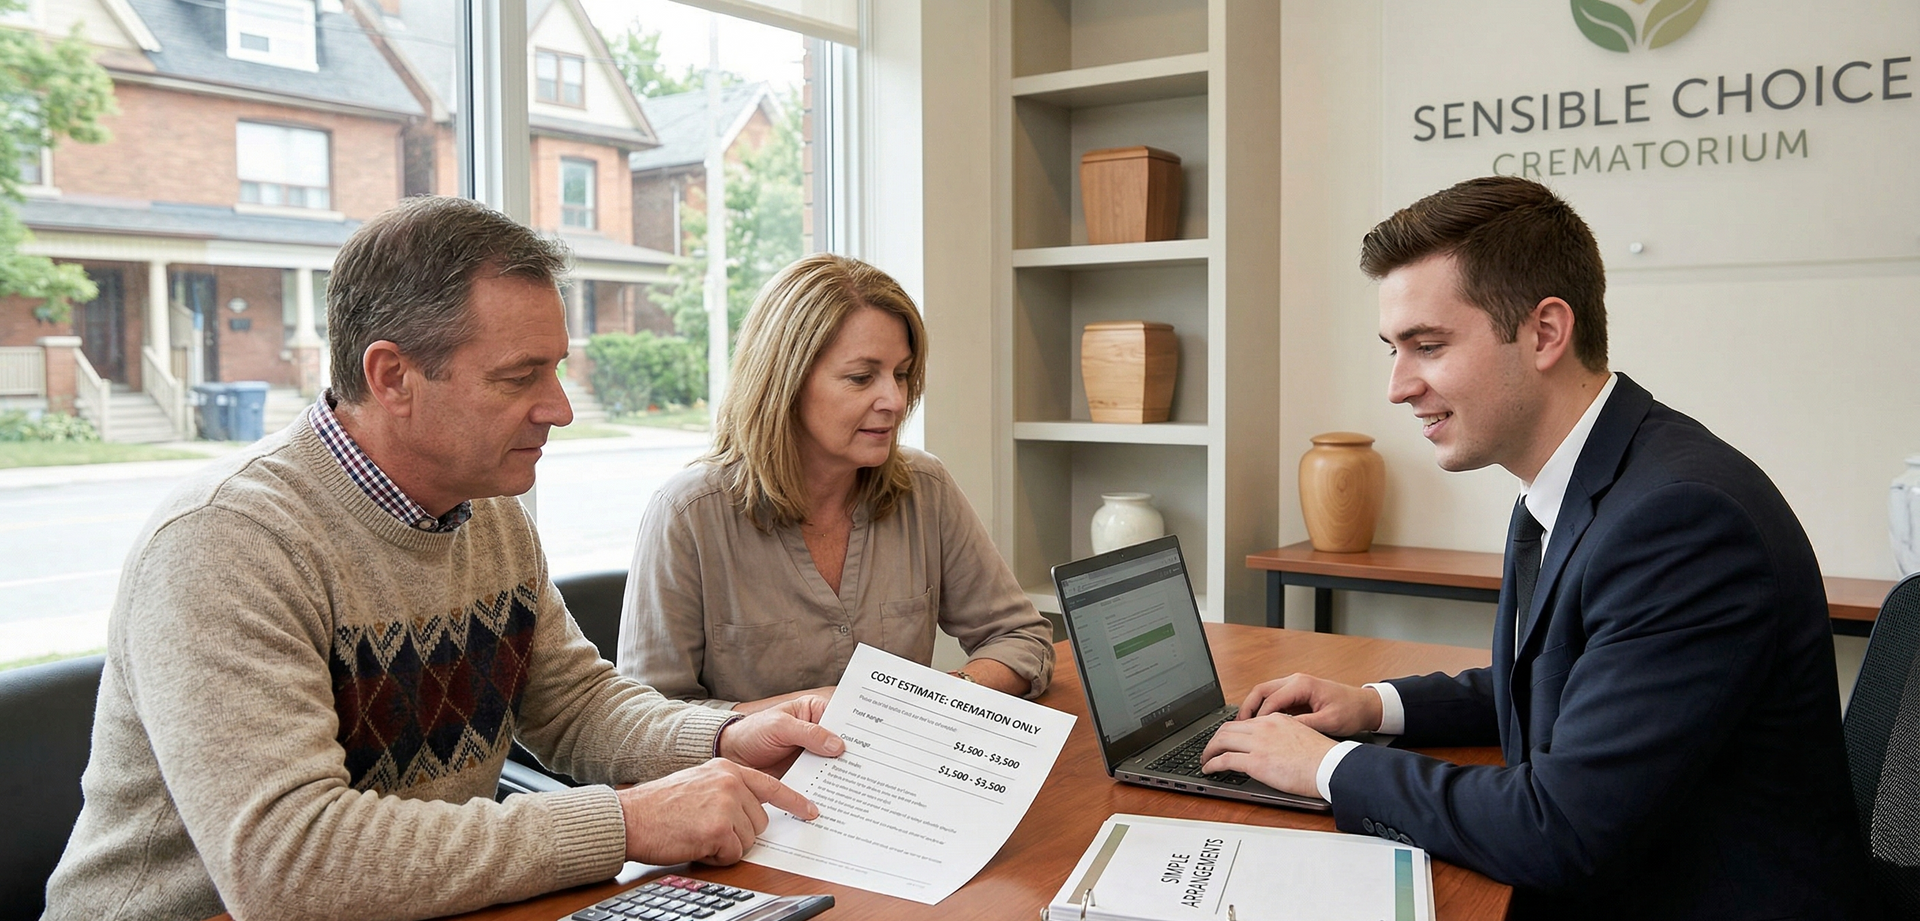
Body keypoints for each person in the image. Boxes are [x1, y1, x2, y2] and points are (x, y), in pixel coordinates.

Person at [41, 197, 845, 921]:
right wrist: (628, 821)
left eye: (557, 368)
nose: (559, 407)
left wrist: (723, 739)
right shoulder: (225, 543)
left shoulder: (488, 507)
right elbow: (289, 864)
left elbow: (573, 707)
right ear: (392, 376)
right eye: (519, 376)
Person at [1200, 176, 1867, 919]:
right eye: (1392, 349)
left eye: (1427, 345)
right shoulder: (1583, 476)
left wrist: (1326, 766)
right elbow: (1555, 681)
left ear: (1546, 332)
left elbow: (1563, 830)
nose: (1396, 386)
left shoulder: (1683, 520)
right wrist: (1370, 706)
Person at [617, 253, 1055, 713]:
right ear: (784, 382)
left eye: (901, 375)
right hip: (754, 783)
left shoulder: (925, 487)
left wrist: (936, 699)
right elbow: (646, 723)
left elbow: (1022, 638)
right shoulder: (689, 513)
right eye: (861, 378)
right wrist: (802, 711)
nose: (895, 400)